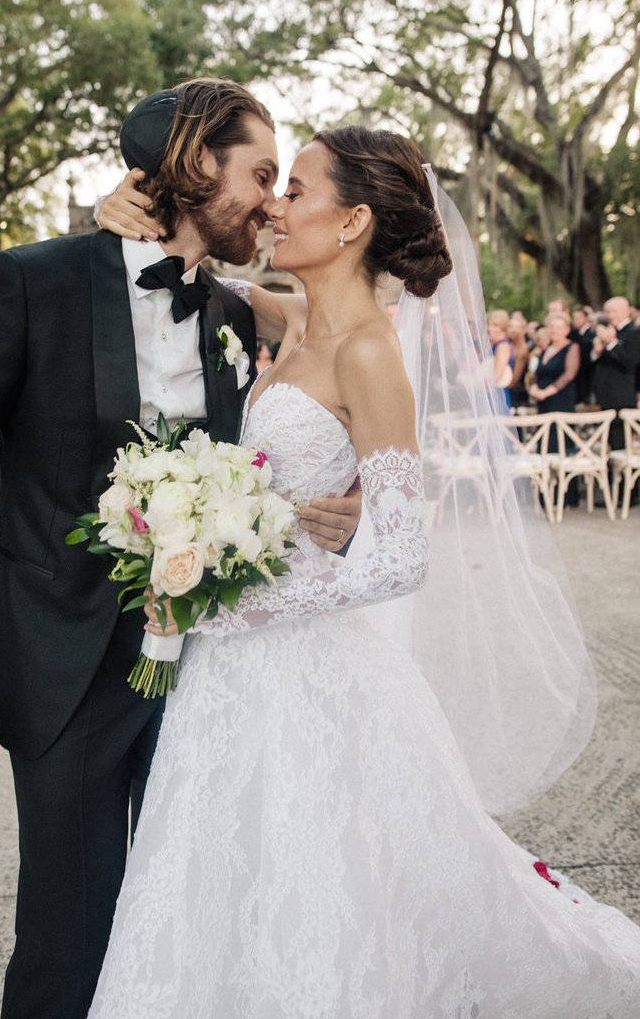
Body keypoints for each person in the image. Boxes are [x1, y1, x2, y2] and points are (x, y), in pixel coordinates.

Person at [93, 128, 640, 1017]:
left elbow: (400, 555)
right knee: (220, 875)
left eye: (295, 189)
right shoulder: (298, 317)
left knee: (320, 888)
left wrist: (239, 605)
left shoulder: (370, 353)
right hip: (233, 674)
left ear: (351, 221)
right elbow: (190, 272)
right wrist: (119, 218)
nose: (274, 203)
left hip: (295, 658)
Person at [0, 78, 361, 1019]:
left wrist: (336, 502)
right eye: (260, 173)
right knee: (69, 938)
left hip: (214, 670)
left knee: (193, 929)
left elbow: (322, 373)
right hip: (64, 668)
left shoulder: (232, 313)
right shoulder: (35, 280)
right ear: (194, 167)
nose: (274, 200)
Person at [529, 313, 581, 507]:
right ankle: (546, 495)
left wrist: (548, 391)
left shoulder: (572, 348)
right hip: (543, 403)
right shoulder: (546, 349)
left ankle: (567, 496)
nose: (555, 331)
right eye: (552, 327)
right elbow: (537, 373)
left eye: (560, 327)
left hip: (561, 401)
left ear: (567, 329)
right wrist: (534, 388)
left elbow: (569, 374)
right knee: (545, 446)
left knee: (561, 445)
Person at [592, 296, 640, 451]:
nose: (609, 315)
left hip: (622, 397)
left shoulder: (634, 332)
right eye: (607, 312)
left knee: (621, 444)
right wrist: (597, 351)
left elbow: (631, 362)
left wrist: (612, 343)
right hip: (604, 397)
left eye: (612, 311)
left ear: (624, 311)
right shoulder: (606, 333)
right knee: (608, 445)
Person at [487, 308, 515, 408]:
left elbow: (497, 375)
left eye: (495, 325)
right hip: (493, 390)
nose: (490, 328)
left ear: (502, 327)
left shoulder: (503, 346)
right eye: (489, 325)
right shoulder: (495, 345)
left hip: (499, 392)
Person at [572, 304, 596, 404]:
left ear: (586, 318)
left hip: (587, 375)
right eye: (574, 318)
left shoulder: (591, 334)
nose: (576, 320)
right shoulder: (576, 334)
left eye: (578, 318)